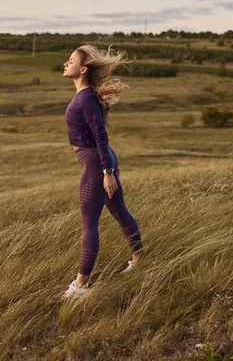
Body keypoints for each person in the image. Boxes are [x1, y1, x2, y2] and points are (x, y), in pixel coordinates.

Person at [62, 44, 143, 299]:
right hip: (100, 161)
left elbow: (100, 135)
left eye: (71, 60)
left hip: (98, 163)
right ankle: (140, 261)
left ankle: (80, 286)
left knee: (89, 225)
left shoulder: (84, 97)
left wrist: (107, 171)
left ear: (82, 69)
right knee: (119, 212)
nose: (66, 63)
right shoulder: (84, 96)